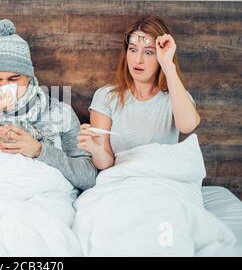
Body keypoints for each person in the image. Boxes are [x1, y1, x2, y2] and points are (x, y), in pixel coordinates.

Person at [0, 19, 97, 191]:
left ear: (29, 77)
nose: (3, 86)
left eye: (13, 79)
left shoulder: (61, 113)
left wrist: (39, 150)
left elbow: (89, 177)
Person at [77, 16, 200, 170]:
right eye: (133, 49)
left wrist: (168, 64)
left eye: (149, 52)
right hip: (124, 181)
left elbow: (188, 126)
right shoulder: (106, 97)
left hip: (163, 180)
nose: (138, 59)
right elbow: (105, 164)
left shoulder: (176, 96)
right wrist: (95, 149)